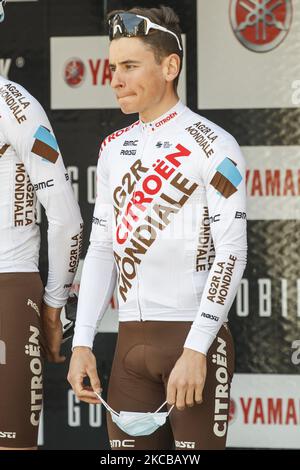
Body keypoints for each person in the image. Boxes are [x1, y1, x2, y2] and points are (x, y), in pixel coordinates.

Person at [68, 5, 247, 450]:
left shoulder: (214, 144)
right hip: (129, 349)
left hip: (194, 341)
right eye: (113, 67)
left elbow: (232, 252)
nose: (115, 79)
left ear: (171, 66)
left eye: (130, 66)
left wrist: (196, 347)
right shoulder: (113, 149)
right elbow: (102, 248)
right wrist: (82, 343)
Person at [0, 69, 83, 449]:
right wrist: (53, 307)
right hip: (10, 292)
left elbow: (67, 221)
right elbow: (67, 220)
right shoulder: (13, 102)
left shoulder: (12, 102)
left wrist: (51, 305)